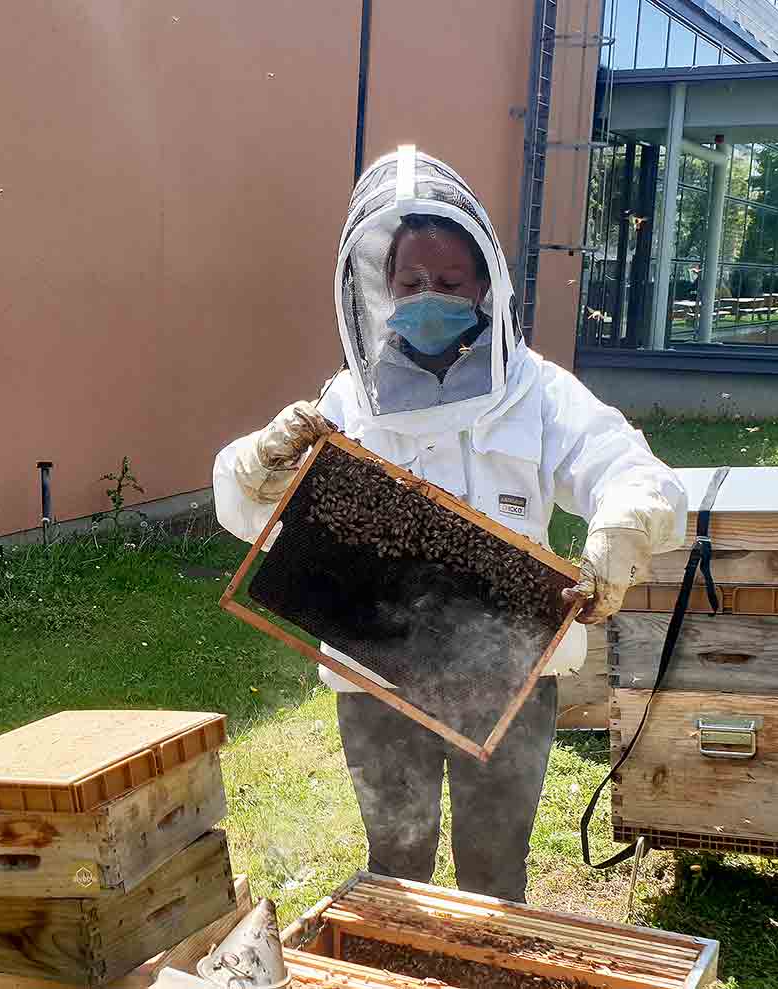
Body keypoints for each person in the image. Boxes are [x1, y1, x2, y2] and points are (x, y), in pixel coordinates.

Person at [214, 146, 686, 903]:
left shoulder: (535, 393)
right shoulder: (346, 401)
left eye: (449, 281)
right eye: (410, 281)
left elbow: (632, 471)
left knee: (494, 870)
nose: (427, 295)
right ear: (381, 287)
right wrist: (258, 464)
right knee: (396, 864)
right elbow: (243, 509)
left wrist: (619, 534)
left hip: (509, 676)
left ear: (485, 285)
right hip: (377, 677)